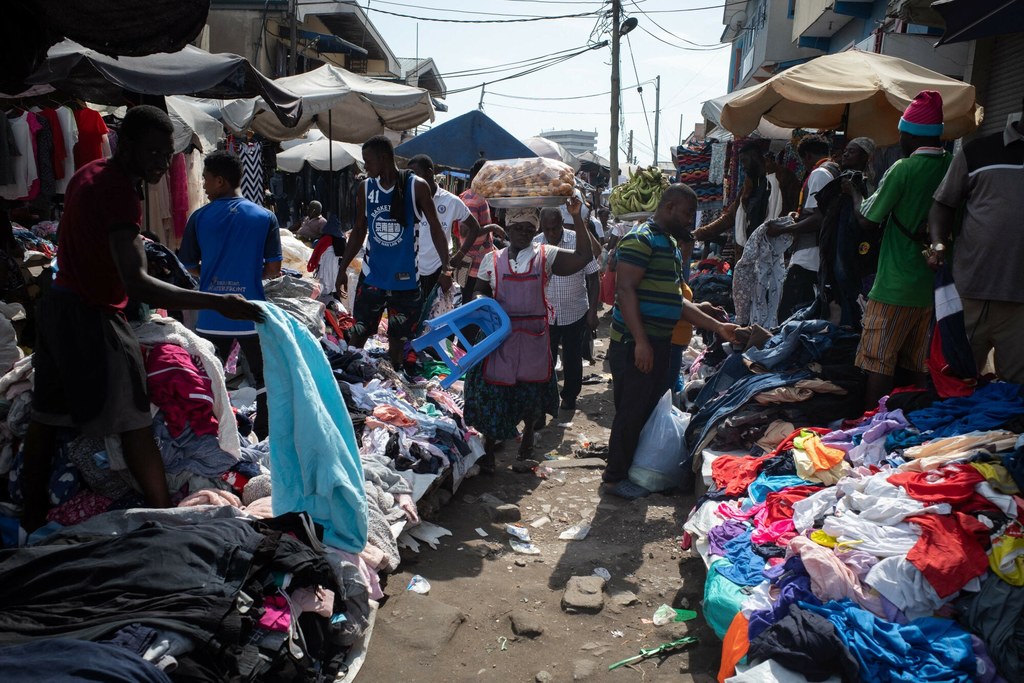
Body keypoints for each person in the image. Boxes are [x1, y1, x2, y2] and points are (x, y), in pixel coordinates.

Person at [22, 105, 263, 531]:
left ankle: (30, 516)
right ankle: (164, 519)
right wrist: (214, 300)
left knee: (48, 415)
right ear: (126, 144)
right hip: (93, 313)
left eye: (166, 153)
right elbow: (135, 281)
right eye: (152, 151)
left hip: (58, 308)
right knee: (134, 419)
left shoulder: (89, 173)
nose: (160, 162)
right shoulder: (118, 190)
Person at [605, 184, 738, 492]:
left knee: (649, 408)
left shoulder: (670, 245)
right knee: (632, 409)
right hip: (635, 342)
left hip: (660, 342)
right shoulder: (641, 239)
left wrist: (717, 327)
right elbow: (625, 290)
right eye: (688, 212)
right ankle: (614, 478)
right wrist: (641, 341)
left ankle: (635, 471)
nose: (692, 220)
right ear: (669, 208)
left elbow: (676, 301)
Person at [465, 197, 595, 468]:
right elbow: (479, 290)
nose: (524, 233)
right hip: (499, 337)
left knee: (530, 393)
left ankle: (526, 442)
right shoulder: (492, 259)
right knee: (494, 392)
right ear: (508, 229)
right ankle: (489, 448)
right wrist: (481, 302)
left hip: (534, 337)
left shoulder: (545, 255)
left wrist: (577, 217)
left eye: (528, 228)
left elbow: (584, 257)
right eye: (518, 228)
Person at [845, 90, 952, 408]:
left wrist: (854, 193)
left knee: (878, 363)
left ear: (910, 134)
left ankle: (867, 429)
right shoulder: (950, 164)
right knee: (915, 365)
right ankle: (908, 424)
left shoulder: (903, 169)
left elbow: (867, 220)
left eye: (901, 132)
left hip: (892, 286)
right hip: (928, 289)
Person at [179, 150, 283, 439]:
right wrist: (249, 275)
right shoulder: (265, 217)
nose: (203, 185)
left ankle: (208, 434)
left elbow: (189, 266)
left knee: (207, 378)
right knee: (264, 378)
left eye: (206, 179)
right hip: (251, 311)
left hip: (212, 314)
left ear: (221, 181)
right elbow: (274, 268)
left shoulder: (198, 218)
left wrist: (215, 276)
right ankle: (264, 434)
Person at [928, 95, 1024, 383]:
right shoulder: (979, 151)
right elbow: (943, 204)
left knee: (1014, 394)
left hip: (1019, 301)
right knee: (955, 381)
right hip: (970, 291)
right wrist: (938, 243)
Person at [336, 136, 450, 369]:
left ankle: (392, 385)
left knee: (397, 347)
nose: (365, 166)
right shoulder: (365, 188)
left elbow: (437, 229)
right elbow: (358, 231)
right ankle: (349, 377)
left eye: (368, 161)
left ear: (383, 158)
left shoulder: (416, 186)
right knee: (358, 336)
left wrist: (446, 267)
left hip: (406, 283)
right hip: (372, 278)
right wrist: (342, 268)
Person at [534, 207, 600, 413]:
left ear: (563, 223)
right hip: (546, 314)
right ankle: (546, 399)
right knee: (546, 360)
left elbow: (593, 277)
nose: (552, 233)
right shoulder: (536, 243)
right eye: (547, 229)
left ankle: (570, 396)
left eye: (555, 228)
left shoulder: (577, 240)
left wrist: (592, 312)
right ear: (541, 226)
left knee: (572, 358)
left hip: (575, 311)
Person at [769, 134, 840, 321]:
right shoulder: (834, 171)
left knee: (789, 314)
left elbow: (818, 218)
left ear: (807, 156)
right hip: (820, 253)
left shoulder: (818, 174)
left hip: (808, 256)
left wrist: (782, 230)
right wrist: (797, 217)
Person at [816, 136, 876, 328]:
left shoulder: (866, 185)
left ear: (865, 157)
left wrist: (853, 192)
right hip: (835, 242)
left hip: (853, 246)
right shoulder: (841, 181)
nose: (846, 155)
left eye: (852, 151)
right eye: (846, 151)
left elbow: (866, 218)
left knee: (847, 279)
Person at [406, 154, 483, 298]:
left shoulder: (451, 201)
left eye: (417, 175)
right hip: (412, 268)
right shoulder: (408, 200)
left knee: (435, 316)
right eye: (410, 178)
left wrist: (458, 257)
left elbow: (474, 227)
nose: (413, 181)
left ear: (429, 173)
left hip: (438, 271)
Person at [694, 142, 770, 259]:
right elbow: (729, 217)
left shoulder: (779, 180)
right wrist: (699, 233)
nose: (743, 167)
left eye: (744, 161)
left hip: (771, 251)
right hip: (749, 251)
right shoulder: (748, 186)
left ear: (754, 156)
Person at [458, 158, 506, 297]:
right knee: (472, 309)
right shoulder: (472, 200)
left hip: (480, 265)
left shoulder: (478, 196)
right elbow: (465, 231)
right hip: (474, 268)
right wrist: (492, 227)